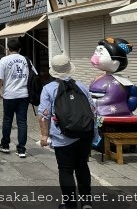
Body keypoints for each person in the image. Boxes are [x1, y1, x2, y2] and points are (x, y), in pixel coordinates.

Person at [38, 55, 97, 209]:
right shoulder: (81, 86)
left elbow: (43, 115)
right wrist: (94, 134)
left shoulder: (48, 89)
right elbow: (93, 111)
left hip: (62, 137)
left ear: (53, 71)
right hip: (84, 135)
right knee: (82, 166)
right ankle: (86, 203)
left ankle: (70, 205)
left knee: (65, 170)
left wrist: (44, 136)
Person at [0, 38, 29, 158]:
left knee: (7, 120)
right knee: (22, 122)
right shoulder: (26, 60)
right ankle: (21, 149)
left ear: (8, 49)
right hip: (24, 94)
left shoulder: (4, 60)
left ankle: (5, 145)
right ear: (19, 49)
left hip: (9, 95)